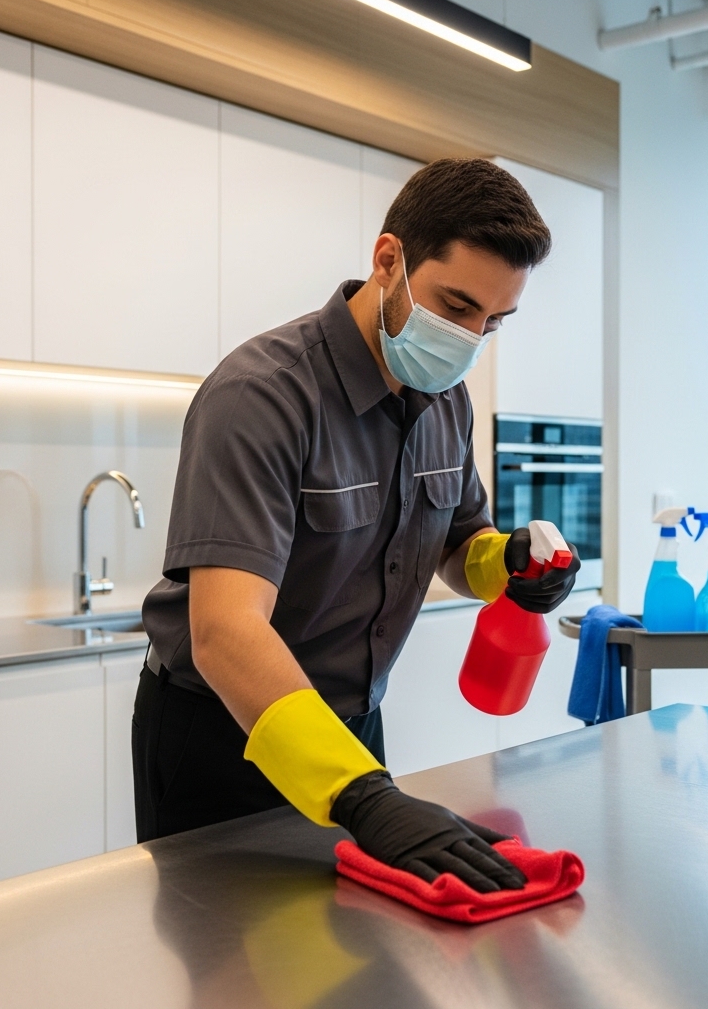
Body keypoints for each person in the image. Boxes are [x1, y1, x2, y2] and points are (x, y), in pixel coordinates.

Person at [135, 157, 580, 894]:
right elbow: (225, 632)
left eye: (493, 322)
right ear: (388, 260)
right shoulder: (263, 395)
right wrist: (366, 798)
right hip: (227, 734)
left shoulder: (445, 399)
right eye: (456, 305)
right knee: (231, 972)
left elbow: (456, 542)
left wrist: (514, 565)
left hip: (351, 730)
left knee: (353, 955)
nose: (470, 337)